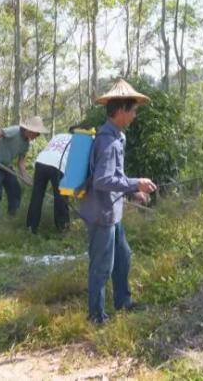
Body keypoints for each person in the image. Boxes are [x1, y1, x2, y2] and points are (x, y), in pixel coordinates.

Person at [79, 79, 157, 324]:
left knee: (123, 256)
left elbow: (115, 176)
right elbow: (102, 180)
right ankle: (96, 316)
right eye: (133, 111)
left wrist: (133, 191)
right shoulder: (108, 141)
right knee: (102, 266)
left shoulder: (116, 137)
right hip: (102, 214)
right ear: (121, 111)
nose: (134, 115)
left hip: (114, 212)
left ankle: (123, 301)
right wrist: (135, 183)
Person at [0, 116, 48, 226]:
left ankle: (11, 216)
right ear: (29, 130)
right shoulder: (15, 131)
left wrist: (28, 180)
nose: (37, 136)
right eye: (36, 133)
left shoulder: (26, 144)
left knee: (15, 190)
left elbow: (20, 164)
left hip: (5, 166)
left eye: (38, 134)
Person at [26, 126, 77, 234]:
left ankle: (31, 227)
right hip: (57, 165)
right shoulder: (78, 141)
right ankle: (62, 228)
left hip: (41, 161)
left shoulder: (58, 136)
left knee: (37, 196)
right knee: (61, 198)